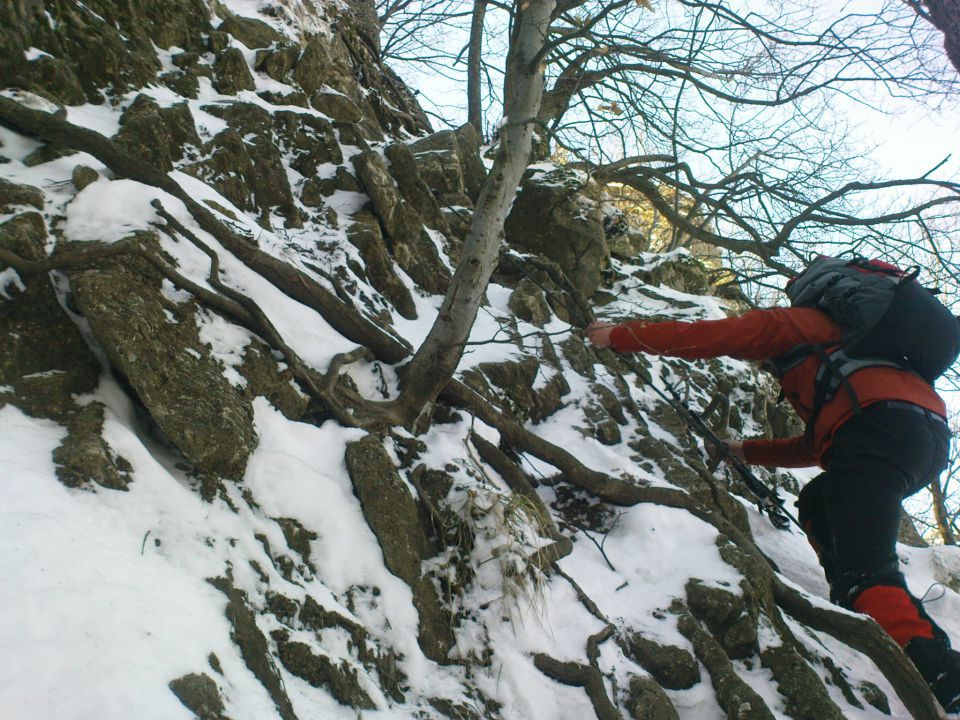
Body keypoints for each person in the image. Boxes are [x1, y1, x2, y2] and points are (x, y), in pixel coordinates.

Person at [586, 305, 960, 713]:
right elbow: (818, 445)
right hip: (924, 440)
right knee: (821, 499)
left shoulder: (794, 324)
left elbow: (711, 336)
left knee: (868, 571)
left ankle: (943, 674)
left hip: (877, 433)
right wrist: (744, 451)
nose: (759, 365)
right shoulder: (850, 352)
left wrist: (621, 336)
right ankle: (854, 596)